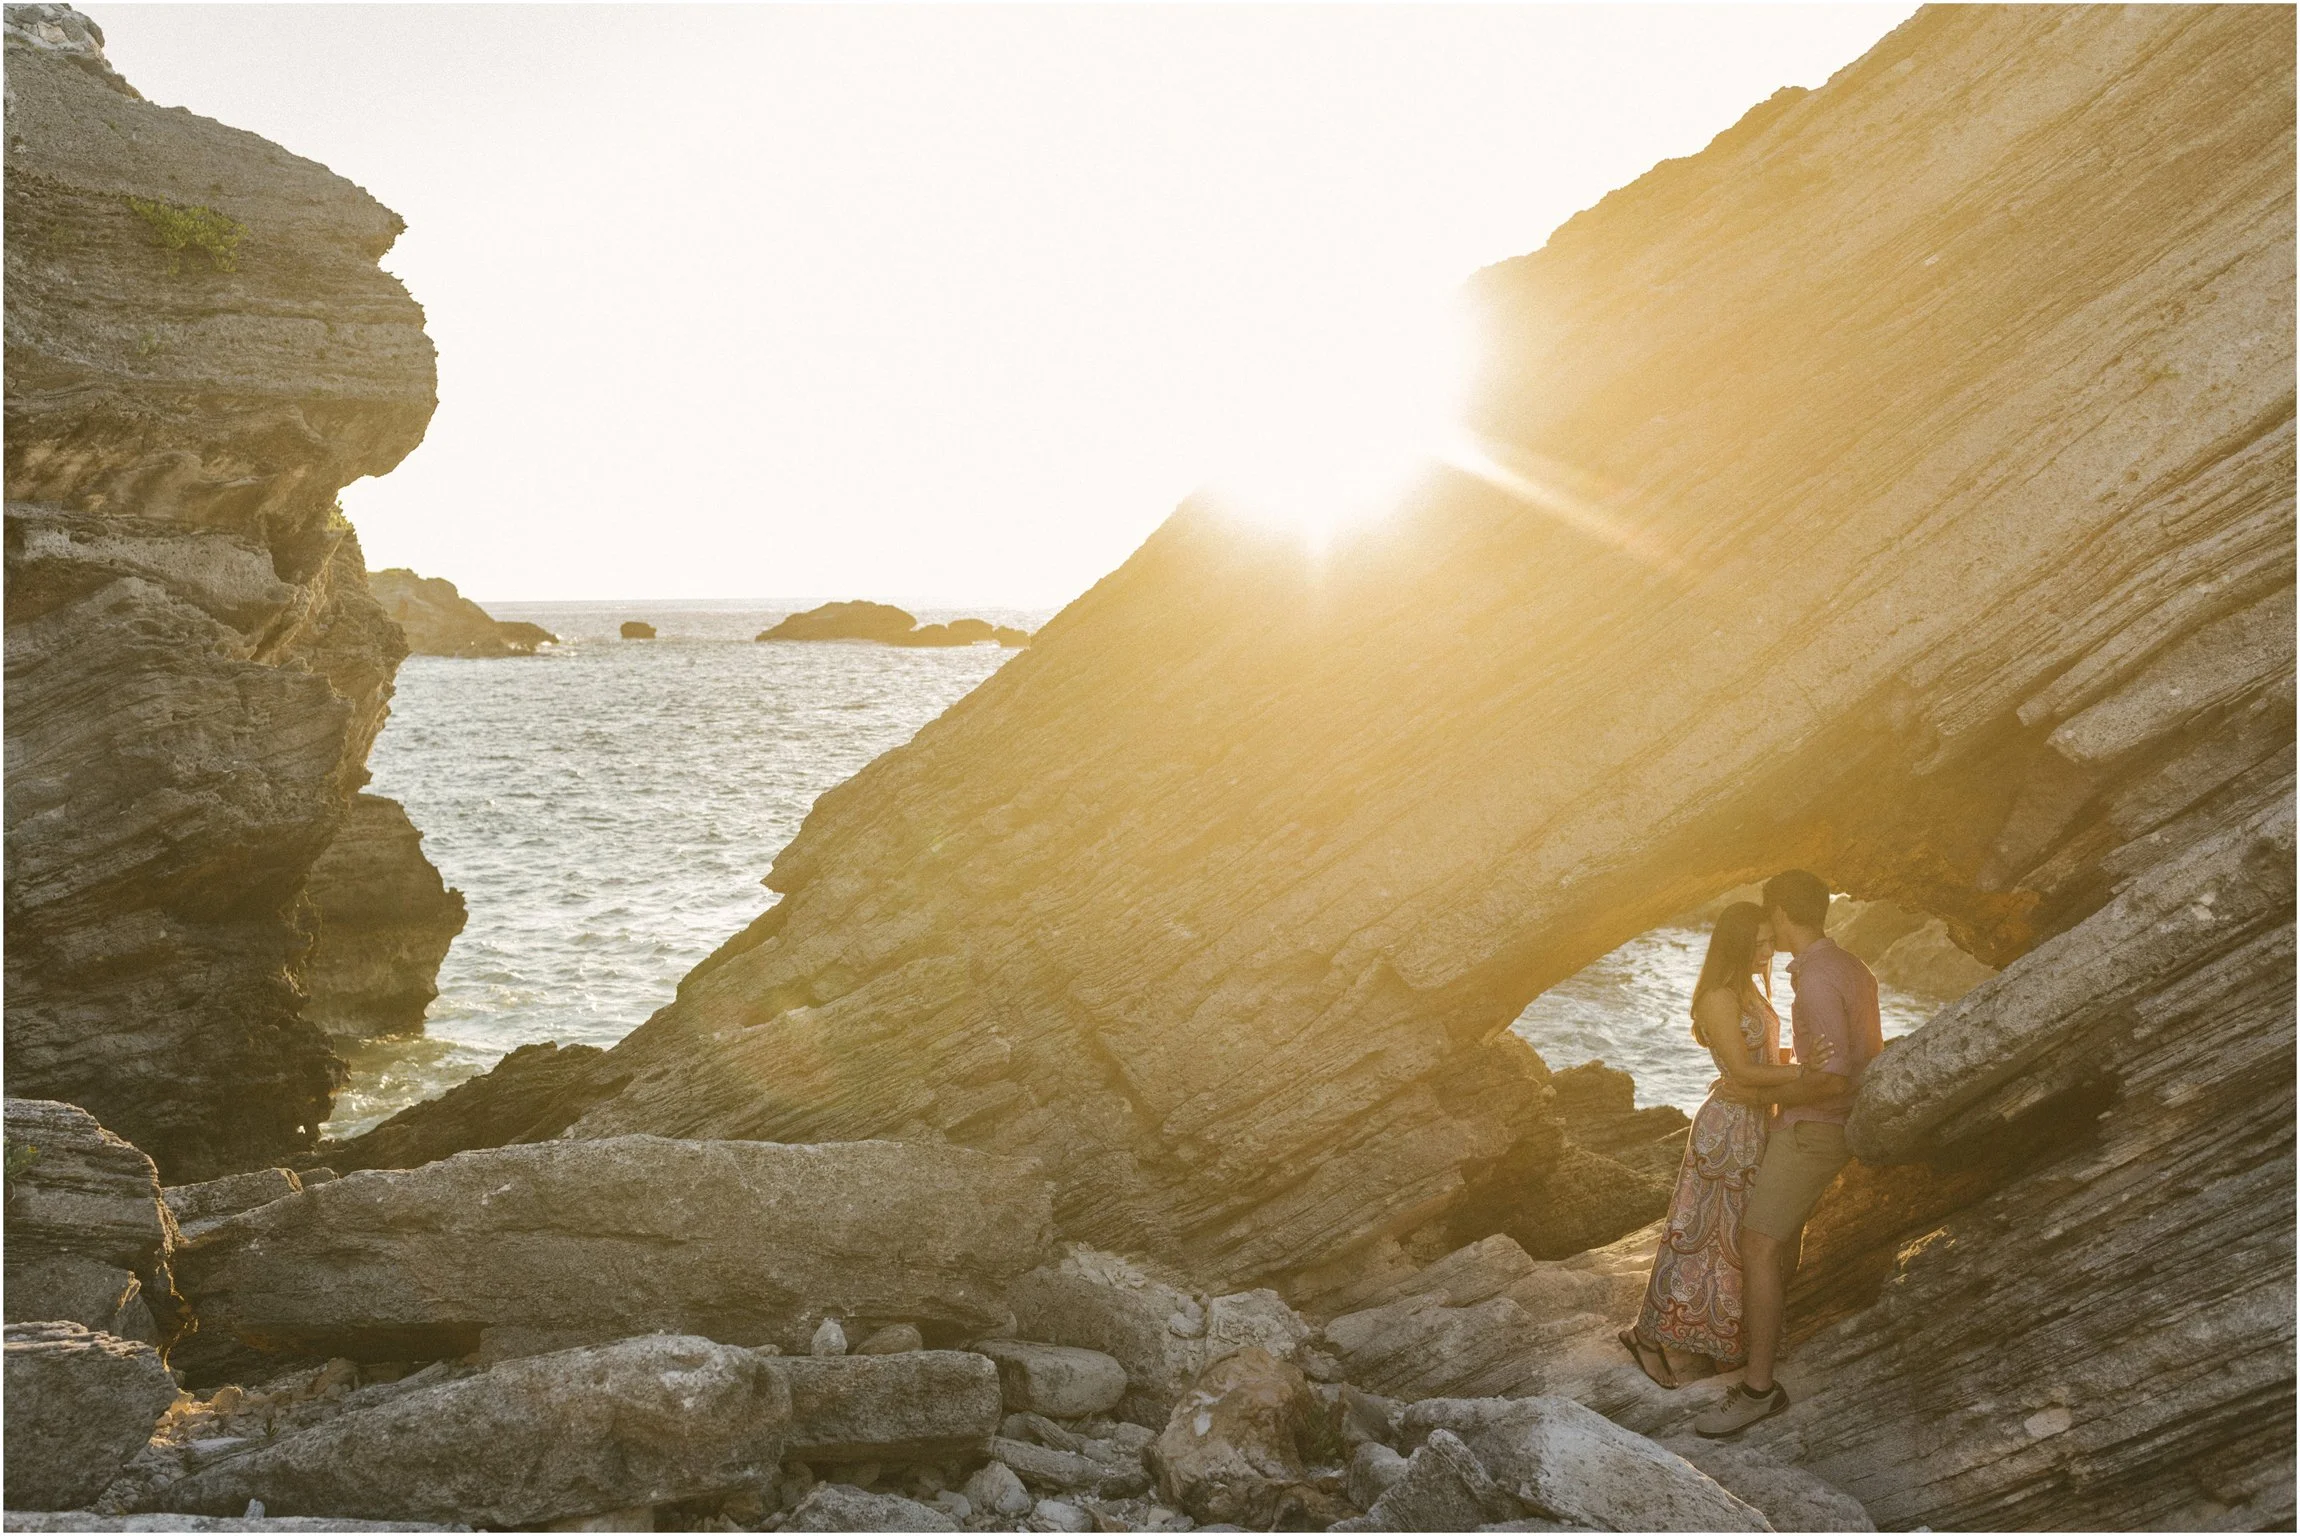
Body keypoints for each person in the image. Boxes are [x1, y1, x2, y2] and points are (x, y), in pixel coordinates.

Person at [1692, 868, 1883, 1437]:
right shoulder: (1848, 966)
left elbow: (1830, 1081)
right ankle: (1772, 1343)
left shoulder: (1816, 982)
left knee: (1758, 1244)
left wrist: (1754, 1090)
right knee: (1780, 1248)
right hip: (1819, 1122)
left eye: (1766, 915)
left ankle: (1757, 1389)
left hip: (1813, 1129)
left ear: (1779, 912)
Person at [1617, 901, 1819, 1388]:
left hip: (1755, 1123)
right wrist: (1811, 1074)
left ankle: (1721, 1339)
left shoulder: (1747, 989)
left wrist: (1805, 1055)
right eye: (1759, 944)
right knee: (1696, 1236)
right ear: (1735, 945)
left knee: (1735, 1239)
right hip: (1726, 1129)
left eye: (1770, 942)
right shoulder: (1718, 997)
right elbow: (1744, 1071)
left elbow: (1763, 1056)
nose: (1768, 951)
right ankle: (1646, 1336)